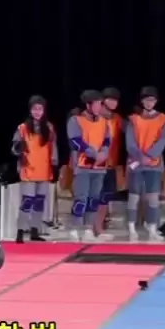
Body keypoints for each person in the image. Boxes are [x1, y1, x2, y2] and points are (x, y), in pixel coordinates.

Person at [124, 86, 165, 241]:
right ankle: (131, 229)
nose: (149, 103)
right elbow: (130, 142)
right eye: (146, 100)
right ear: (142, 101)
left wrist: (150, 156)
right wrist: (140, 156)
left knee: (153, 198)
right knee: (133, 196)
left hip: (154, 164)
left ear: (156, 101)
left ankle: (152, 229)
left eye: (152, 100)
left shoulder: (162, 120)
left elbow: (162, 141)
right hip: (136, 164)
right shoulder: (133, 120)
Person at [11, 95, 58, 243]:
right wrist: (18, 148)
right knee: (27, 201)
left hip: (44, 169)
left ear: (44, 111)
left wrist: (54, 163)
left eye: (40, 109)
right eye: (35, 109)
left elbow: (53, 147)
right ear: (30, 110)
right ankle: (20, 231)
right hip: (28, 169)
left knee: (39, 202)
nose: (37, 112)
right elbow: (14, 149)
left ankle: (35, 231)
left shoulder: (49, 127)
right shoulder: (23, 128)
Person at [66, 90, 111, 241]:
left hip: (99, 167)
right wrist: (94, 153)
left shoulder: (104, 121)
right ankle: (75, 228)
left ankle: (88, 228)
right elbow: (76, 141)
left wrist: (104, 153)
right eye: (96, 104)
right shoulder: (76, 120)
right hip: (82, 165)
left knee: (94, 198)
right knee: (81, 198)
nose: (99, 107)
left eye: (100, 104)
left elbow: (107, 140)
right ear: (88, 105)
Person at [95, 87, 124, 240]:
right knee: (93, 196)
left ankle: (99, 228)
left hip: (111, 164)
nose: (113, 103)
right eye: (110, 99)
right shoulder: (94, 117)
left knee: (105, 198)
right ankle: (89, 227)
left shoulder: (117, 119)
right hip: (95, 165)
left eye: (116, 100)